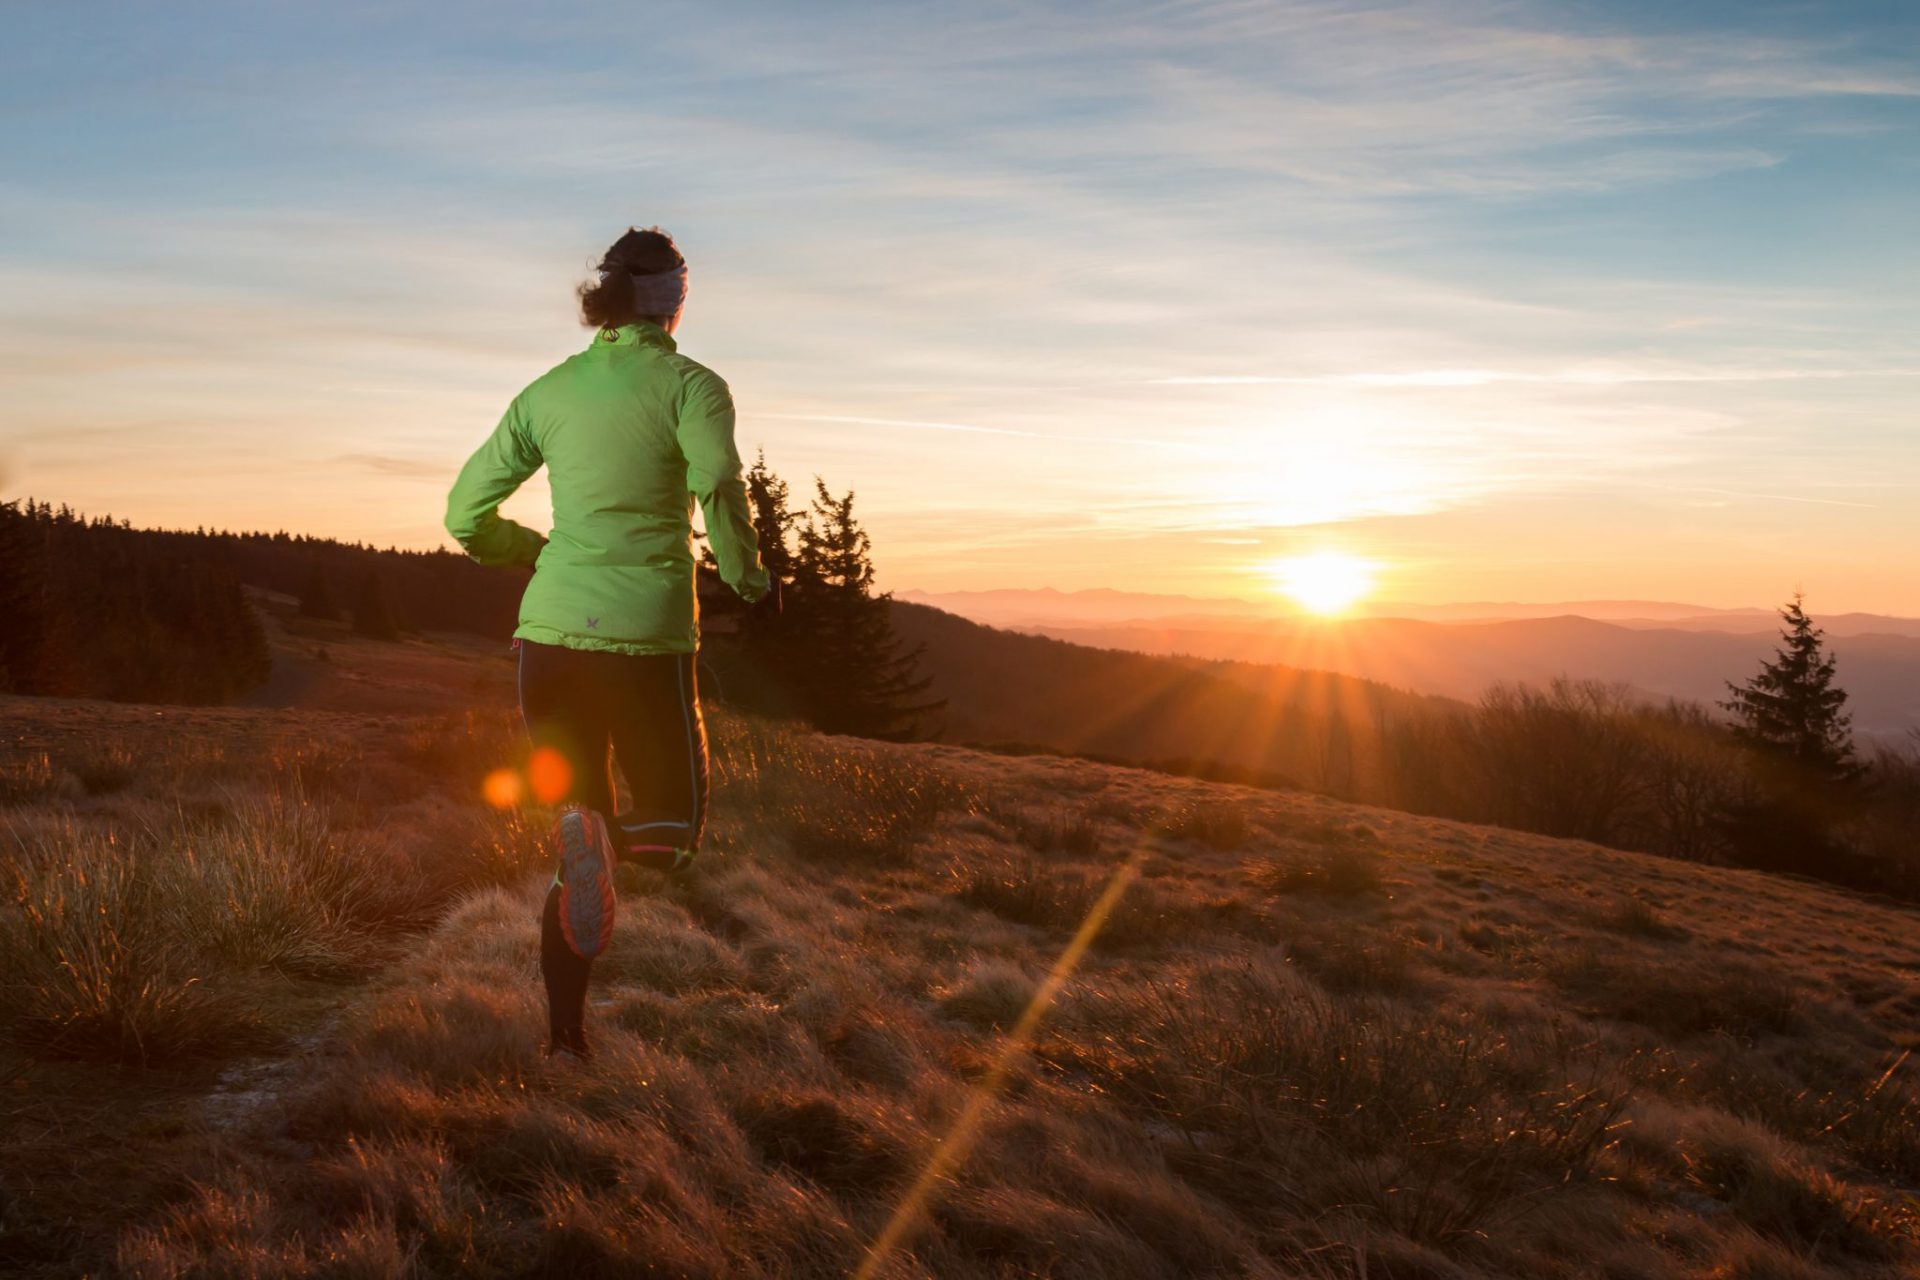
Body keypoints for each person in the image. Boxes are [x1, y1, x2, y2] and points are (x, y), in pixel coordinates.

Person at [444, 226, 777, 1060]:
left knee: (576, 848)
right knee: (670, 832)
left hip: (547, 642)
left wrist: (530, 553)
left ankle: (565, 1041)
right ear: (674, 301)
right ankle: (610, 841)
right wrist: (750, 581)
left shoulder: (547, 392)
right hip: (645, 637)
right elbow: (719, 488)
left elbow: (462, 516)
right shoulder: (693, 388)